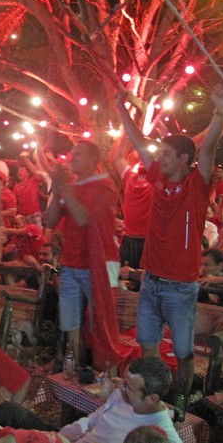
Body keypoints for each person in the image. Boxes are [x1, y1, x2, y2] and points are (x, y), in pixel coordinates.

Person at [116, 84, 223, 402]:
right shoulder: (158, 179)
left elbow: (207, 149)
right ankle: (155, 402)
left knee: (183, 352)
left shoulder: (197, 186)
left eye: (166, 154)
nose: (159, 158)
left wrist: (220, 112)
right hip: (151, 280)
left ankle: (180, 403)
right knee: (149, 346)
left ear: (184, 159)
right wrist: (121, 110)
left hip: (181, 287)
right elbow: (139, 143)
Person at [45, 140, 130, 368]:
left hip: (99, 265)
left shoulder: (105, 186)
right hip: (71, 264)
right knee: (70, 324)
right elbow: (50, 221)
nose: (72, 158)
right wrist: (57, 188)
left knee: (100, 322)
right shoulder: (72, 188)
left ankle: (104, 373)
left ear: (94, 161)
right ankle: (71, 372)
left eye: (79, 154)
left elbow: (83, 218)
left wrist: (63, 187)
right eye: (73, 153)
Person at [59, 357, 182, 443]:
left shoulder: (162, 432)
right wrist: (61, 437)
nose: (120, 387)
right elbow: (95, 418)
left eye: (128, 386)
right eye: (124, 381)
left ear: (151, 398)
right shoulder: (120, 396)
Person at [113, 137, 153, 269]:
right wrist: (127, 135)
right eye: (140, 159)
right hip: (128, 238)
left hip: (148, 241)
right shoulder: (130, 176)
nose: (141, 161)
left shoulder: (159, 182)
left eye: (145, 159)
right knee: (123, 277)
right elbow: (118, 158)